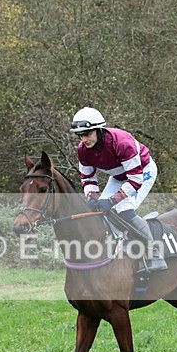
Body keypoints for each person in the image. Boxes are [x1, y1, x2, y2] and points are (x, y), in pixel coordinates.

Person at [70, 107, 167, 272]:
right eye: (80, 135)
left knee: (123, 208)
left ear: (98, 130)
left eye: (87, 134)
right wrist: (91, 198)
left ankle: (154, 254)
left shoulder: (121, 142)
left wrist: (112, 200)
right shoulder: (83, 150)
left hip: (143, 172)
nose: (83, 139)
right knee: (100, 209)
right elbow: (88, 178)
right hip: (119, 176)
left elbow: (136, 180)